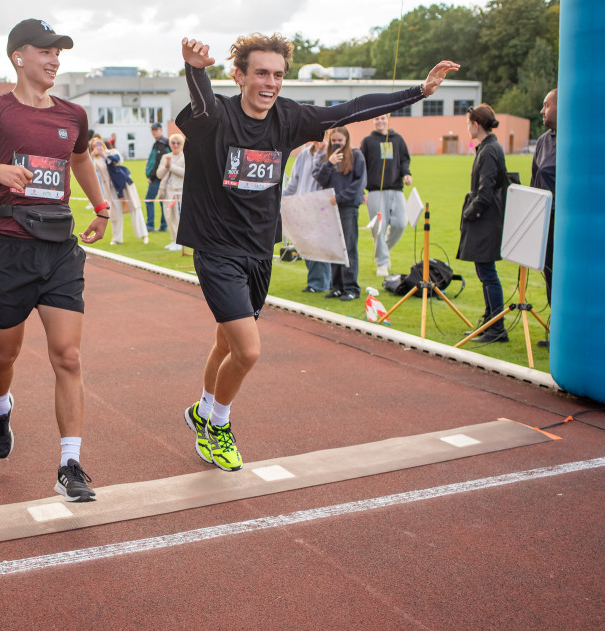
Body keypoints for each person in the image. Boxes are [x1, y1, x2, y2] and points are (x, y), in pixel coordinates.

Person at [177, 33, 459, 471]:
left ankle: (202, 408)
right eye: (261, 73)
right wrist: (195, 70)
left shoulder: (287, 118)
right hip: (216, 249)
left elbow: (351, 110)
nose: (270, 82)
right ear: (238, 75)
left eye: (278, 74)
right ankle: (218, 425)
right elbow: (202, 105)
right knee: (248, 351)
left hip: (258, 249)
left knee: (225, 340)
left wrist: (418, 92)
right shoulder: (217, 116)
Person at [0, 18, 111, 502]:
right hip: (10, 249)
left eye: (59, 53)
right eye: (45, 51)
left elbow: (79, 160)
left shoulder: (73, 114)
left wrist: (100, 207)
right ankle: (0, 407)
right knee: (4, 355)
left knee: (69, 356)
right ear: (19, 56)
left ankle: (70, 464)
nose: (55, 60)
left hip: (59, 248)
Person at [458, 103, 510, 343]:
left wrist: (470, 212)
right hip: (487, 217)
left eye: (469, 123)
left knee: (488, 273)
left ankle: (496, 327)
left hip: (486, 219)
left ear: (476, 124)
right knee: (484, 271)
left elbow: (485, 191)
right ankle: (490, 322)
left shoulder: (489, 150)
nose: (467, 127)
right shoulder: (488, 147)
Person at [314, 126, 366, 301]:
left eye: (340, 141)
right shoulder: (327, 157)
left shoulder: (356, 155)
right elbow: (321, 179)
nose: (336, 144)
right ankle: (337, 286)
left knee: (348, 247)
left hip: (348, 207)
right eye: (334, 140)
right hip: (331, 208)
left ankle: (351, 288)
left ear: (346, 141)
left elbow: (359, 183)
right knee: (334, 247)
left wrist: (341, 197)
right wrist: (330, 163)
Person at [360, 114, 412, 277]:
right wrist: (361, 191)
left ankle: (385, 251)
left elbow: (404, 159)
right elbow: (361, 167)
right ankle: (382, 263)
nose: (380, 121)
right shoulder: (368, 142)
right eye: (376, 119)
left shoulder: (397, 139)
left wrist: (407, 174)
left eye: (382, 118)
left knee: (401, 223)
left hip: (396, 189)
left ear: (388, 119)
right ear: (373, 121)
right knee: (378, 229)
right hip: (375, 191)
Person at [281, 139, 331, 293]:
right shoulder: (304, 155)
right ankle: (320, 282)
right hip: (302, 207)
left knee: (318, 246)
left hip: (320, 207)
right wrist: (279, 199)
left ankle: (319, 283)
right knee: (305, 245)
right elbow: (293, 183)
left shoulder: (330, 155)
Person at [531, 88, 557, 348]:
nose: (542, 110)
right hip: (543, 220)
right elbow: (534, 179)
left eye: (547, 104)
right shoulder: (543, 141)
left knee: (563, 276)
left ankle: (565, 331)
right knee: (549, 275)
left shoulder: (573, 140)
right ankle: (556, 331)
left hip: (563, 222)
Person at [92, 136, 149, 245]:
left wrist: (104, 154)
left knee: (135, 208)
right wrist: (94, 156)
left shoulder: (111, 152)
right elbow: (90, 169)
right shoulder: (95, 160)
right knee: (115, 212)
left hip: (124, 183)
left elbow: (119, 161)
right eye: (94, 145)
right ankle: (117, 238)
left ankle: (144, 235)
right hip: (111, 188)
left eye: (99, 143)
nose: (97, 146)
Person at [156, 133, 186, 250]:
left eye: (178, 143)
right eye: (173, 143)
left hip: (179, 191)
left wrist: (171, 166)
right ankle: (173, 240)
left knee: (177, 216)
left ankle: (179, 242)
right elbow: (159, 174)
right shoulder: (166, 157)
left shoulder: (184, 157)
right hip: (167, 190)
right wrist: (166, 166)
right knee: (169, 216)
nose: (175, 145)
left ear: (182, 144)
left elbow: (185, 173)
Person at [144, 123, 171, 232]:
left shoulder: (162, 143)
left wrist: (151, 176)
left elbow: (160, 162)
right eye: (152, 130)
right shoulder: (159, 143)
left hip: (158, 178)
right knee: (162, 201)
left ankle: (150, 225)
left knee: (149, 200)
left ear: (161, 130)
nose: (154, 132)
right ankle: (163, 225)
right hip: (161, 178)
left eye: (156, 130)